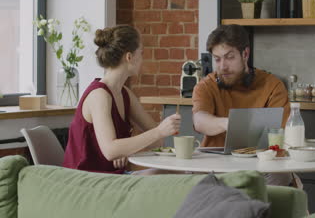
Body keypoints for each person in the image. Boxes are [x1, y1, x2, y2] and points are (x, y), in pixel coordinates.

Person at [63, 25, 181, 174]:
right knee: (168, 178)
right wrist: (158, 131)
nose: (143, 59)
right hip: (87, 181)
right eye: (141, 53)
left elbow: (157, 142)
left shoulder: (124, 93)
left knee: (171, 174)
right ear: (129, 57)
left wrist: (126, 148)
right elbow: (111, 150)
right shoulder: (99, 95)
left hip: (113, 177)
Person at [192, 24, 292, 186]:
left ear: (245, 54)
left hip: (261, 165)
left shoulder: (272, 85)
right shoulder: (205, 86)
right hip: (215, 165)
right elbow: (200, 121)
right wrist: (229, 123)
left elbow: (281, 134)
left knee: (281, 175)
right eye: (217, 59)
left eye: (229, 57)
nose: (222, 66)